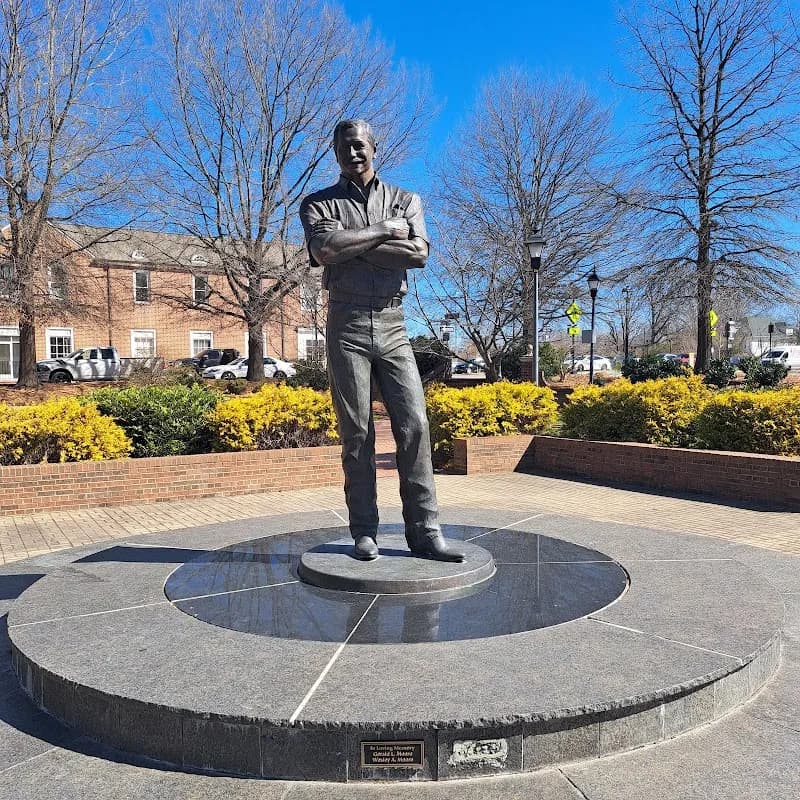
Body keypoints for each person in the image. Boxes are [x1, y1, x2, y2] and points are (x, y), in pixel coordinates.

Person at [299, 119, 464, 563]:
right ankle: (365, 531)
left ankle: (425, 530)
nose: (352, 153)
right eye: (343, 147)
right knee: (357, 432)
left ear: (374, 148)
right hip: (346, 323)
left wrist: (351, 242)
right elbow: (325, 251)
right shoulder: (317, 204)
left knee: (415, 425)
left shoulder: (406, 200)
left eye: (359, 146)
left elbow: (419, 254)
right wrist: (384, 232)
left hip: (394, 324)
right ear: (335, 153)